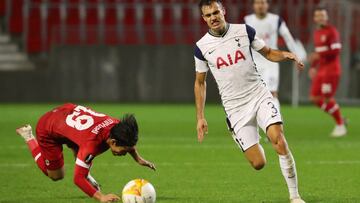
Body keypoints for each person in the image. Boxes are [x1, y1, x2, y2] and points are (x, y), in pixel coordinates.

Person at [194, 1, 305, 202]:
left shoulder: (244, 31)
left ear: (223, 11)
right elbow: (200, 82)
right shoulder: (201, 47)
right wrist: (200, 117)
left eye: (216, 12)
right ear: (204, 19)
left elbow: (269, 52)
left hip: (259, 94)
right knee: (258, 163)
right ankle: (240, 134)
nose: (213, 17)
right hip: (235, 108)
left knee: (279, 141)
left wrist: (286, 54)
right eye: (208, 15)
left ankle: (295, 196)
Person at [16, 103, 156, 203]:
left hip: (67, 114)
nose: (124, 153)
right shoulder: (92, 145)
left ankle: (86, 172)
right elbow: (77, 179)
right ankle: (28, 136)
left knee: (80, 152)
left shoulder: (118, 127)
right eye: (124, 151)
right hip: (48, 127)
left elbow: (128, 144)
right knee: (56, 175)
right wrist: (100, 197)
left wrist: (137, 158)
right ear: (113, 142)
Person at [244, 0, 301, 107]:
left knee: (272, 93)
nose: (260, 5)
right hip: (253, 63)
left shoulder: (276, 20)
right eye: (257, 3)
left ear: (267, 5)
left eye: (263, 2)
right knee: (253, 95)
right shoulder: (247, 20)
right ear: (253, 5)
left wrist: (296, 56)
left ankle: (277, 122)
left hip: (271, 61)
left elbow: (288, 37)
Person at [308, 7, 346, 137]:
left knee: (327, 98)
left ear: (327, 17)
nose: (320, 18)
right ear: (315, 18)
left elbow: (336, 51)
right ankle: (340, 118)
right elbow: (318, 53)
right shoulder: (317, 32)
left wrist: (318, 55)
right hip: (321, 70)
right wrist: (313, 66)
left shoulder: (332, 32)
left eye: (323, 15)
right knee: (314, 97)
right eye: (318, 16)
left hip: (331, 70)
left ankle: (340, 124)